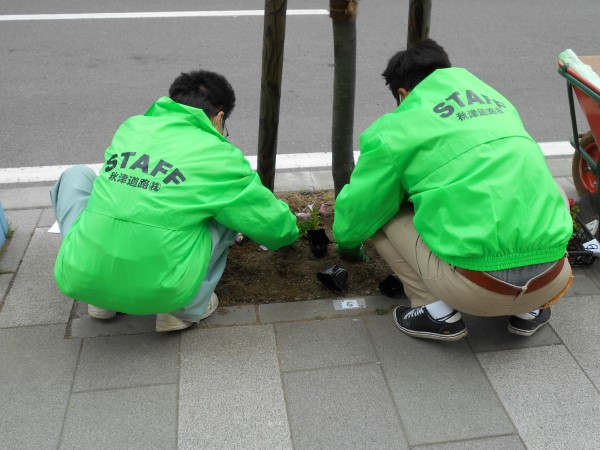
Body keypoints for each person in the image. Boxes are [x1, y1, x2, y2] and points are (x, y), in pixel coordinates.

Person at [333, 39, 574, 341]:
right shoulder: (497, 102)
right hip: (554, 279)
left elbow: (358, 214)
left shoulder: (394, 130)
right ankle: (530, 311)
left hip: (478, 291)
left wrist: (349, 244)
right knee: (543, 185)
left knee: (380, 211)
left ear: (403, 93)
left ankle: (436, 313)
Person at [51, 69, 298, 332]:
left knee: (76, 175)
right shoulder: (219, 155)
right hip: (165, 289)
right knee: (228, 212)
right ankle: (182, 311)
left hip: (79, 275)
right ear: (219, 118)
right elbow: (272, 225)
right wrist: (291, 232)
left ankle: (100, 299)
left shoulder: (132, 127)